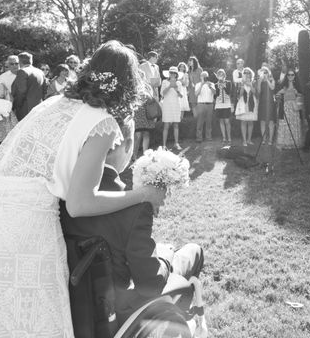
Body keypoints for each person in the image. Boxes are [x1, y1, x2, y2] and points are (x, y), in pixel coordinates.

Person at [0, 40, 165, 337]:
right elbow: (79, 204)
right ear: (127, 85)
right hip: (22, 238)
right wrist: (143, 194)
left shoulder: (53, 104)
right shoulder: (103, 122)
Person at [59, 129, 204, 331]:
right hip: (119, 314)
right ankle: (175, 325)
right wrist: (166, 254)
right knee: (193, 252)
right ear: (128, 144)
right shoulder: (135, 209)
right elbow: (150, 284)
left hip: (75, 310)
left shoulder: (60, 198)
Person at [11, 52, 46, 121]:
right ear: (31, 61)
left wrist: (17, 105)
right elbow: (44, 90)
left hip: (25, 107)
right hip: (39, 107)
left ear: (19, 61)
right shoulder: (40, 72)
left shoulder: (22, 72)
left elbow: (21, 91)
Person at [276, 69, 303, 150]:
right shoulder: (283, 85)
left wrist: (297, 93)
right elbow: (277, 95)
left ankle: (293, 143)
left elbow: (301, 96)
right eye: (289, 75)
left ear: (295, 76)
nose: (290, 76)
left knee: (294, 124)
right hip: (285, 108)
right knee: (285, 125)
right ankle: (284, 143)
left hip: (294, 107)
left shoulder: (297, 86)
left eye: (292, 75)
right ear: (286, 76)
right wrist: (280, 93)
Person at [133, 70, 156, 159]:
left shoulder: (147, 87)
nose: (141, 78)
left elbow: (152, 98)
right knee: (137, 135)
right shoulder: (133, 87)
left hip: (147, 113)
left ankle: (145, 155)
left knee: (146, 134)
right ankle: (134, 156)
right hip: (137, 113)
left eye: (142, 76)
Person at [160, 66, 185, 150]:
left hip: (176, 105)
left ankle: (176, 143)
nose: (173, 74)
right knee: (166, 125)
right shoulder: (164, 82)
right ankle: (164, 145)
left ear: (176, 74)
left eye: (174, 73)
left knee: (176, 125)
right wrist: (170, 86)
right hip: (167, 105)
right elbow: (162, 93)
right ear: (169, 74)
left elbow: (181, 96)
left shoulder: (179, 83)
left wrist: (176, 89)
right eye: (171, 73)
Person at [235, 67, 258, 146]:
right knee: (244, 122)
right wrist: (242, 85)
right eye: (245, 72)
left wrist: (250, 85)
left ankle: (249, 140)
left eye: (248, 72)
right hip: (243, 104)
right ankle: (244, 140)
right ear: (243, 74)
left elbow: (255, 93)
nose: (247, 74)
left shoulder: (254, 82)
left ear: (251, 74)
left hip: (251, 103)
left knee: (251, 122)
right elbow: (239, 95)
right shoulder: (240, 82)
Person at [257, 66, 277, 145]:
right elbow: (259, 91)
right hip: (262, 102)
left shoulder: (272, 79)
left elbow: (272, 88)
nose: (264, 73)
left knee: (271, 122)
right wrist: (259, 82)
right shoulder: (260, 80)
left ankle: (270, 140)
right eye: (263, 72)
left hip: (270, 103)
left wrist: (267, 80)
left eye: (266, 72)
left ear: (268, 72)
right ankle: (264, 139)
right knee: (262, 121)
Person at [194, 71, 215, 142]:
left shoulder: (211, 84)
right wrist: (202, 85)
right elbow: (196, 94)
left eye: (206, 76)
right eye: (203, 76)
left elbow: (215, 93)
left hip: (210, 105)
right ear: (200, 77)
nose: (204, 77)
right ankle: (199, 138)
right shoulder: (198, 84)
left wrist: (210, 86)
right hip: (201, 105)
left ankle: (208, 137)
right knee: (200, 122)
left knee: (209, 122)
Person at [214, 69, 233, 143]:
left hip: (227, 104)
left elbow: (228, 92)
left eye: (222, 74)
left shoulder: (228, 83)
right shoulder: (215, 84)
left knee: (227, 121)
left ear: (224, 75)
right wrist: (218, 86)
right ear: (217, 76)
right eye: (219, 74)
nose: (220, 76)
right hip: (219, 105)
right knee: (221, 121)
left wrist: (223, 85)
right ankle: (224, 138)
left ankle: (229, 137)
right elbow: (217, 95)